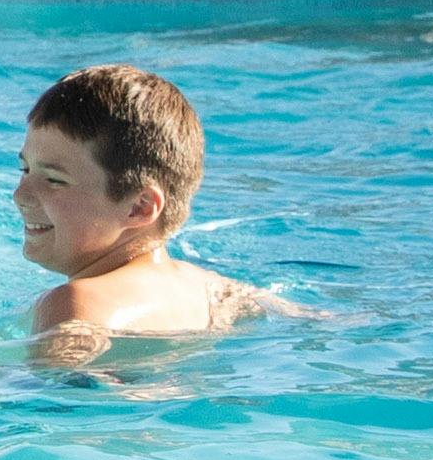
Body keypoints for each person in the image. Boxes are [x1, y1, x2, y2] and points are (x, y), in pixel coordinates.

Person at [16, 63, 274, 350]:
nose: (20, 195)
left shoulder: (76, 302)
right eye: (25, 169)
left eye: (54, 180)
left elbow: (47, 385)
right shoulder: (210, 288)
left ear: (140, 207)